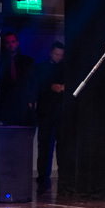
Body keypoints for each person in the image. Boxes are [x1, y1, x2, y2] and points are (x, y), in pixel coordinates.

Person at [35, 41, 65, 194]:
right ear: (50, 53)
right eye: (56, 54)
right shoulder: (41, 68)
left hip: (61, 112)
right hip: (46, 112)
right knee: (45, 144)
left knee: (62, 145)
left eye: (61, 55)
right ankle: (42, 175)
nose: (59, 57)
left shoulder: (65, 68)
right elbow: (39, 86)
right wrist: (51, 87)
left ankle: (63, 174)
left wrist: (63, 87)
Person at [0, 32, 35, 126]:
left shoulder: (27, 61)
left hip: (22, 103)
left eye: (13, 42)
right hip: (4, 104)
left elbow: (34, 82)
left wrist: (31, 100)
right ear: (4, 44)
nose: (10, 45)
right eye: (8, 42)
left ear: (17, 43)